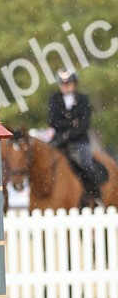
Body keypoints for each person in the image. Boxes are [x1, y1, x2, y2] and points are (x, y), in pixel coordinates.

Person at [48, 68, 105, 207]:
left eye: (68, 83)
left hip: (79, 141)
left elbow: (84, 124)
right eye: (63, 84)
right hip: (58, 141)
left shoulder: (83, 100)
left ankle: (95, 194)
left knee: (86, 164)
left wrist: (68, 132)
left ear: (74, 84)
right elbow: (52, 121)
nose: (65, 86)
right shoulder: (54, 99)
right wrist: (71, 123)